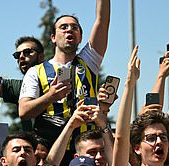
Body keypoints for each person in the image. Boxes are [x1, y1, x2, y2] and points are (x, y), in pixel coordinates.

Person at [19, 0, 110, 146]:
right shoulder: (35, 71)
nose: (69, 30)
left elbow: (102, 20)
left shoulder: (89, 61)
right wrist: (50, 97)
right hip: (53, 148)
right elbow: (23, 111)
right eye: (63, 27)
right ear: (53, 37)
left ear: (80, 38)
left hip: (86, 147)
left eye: (75, 27)